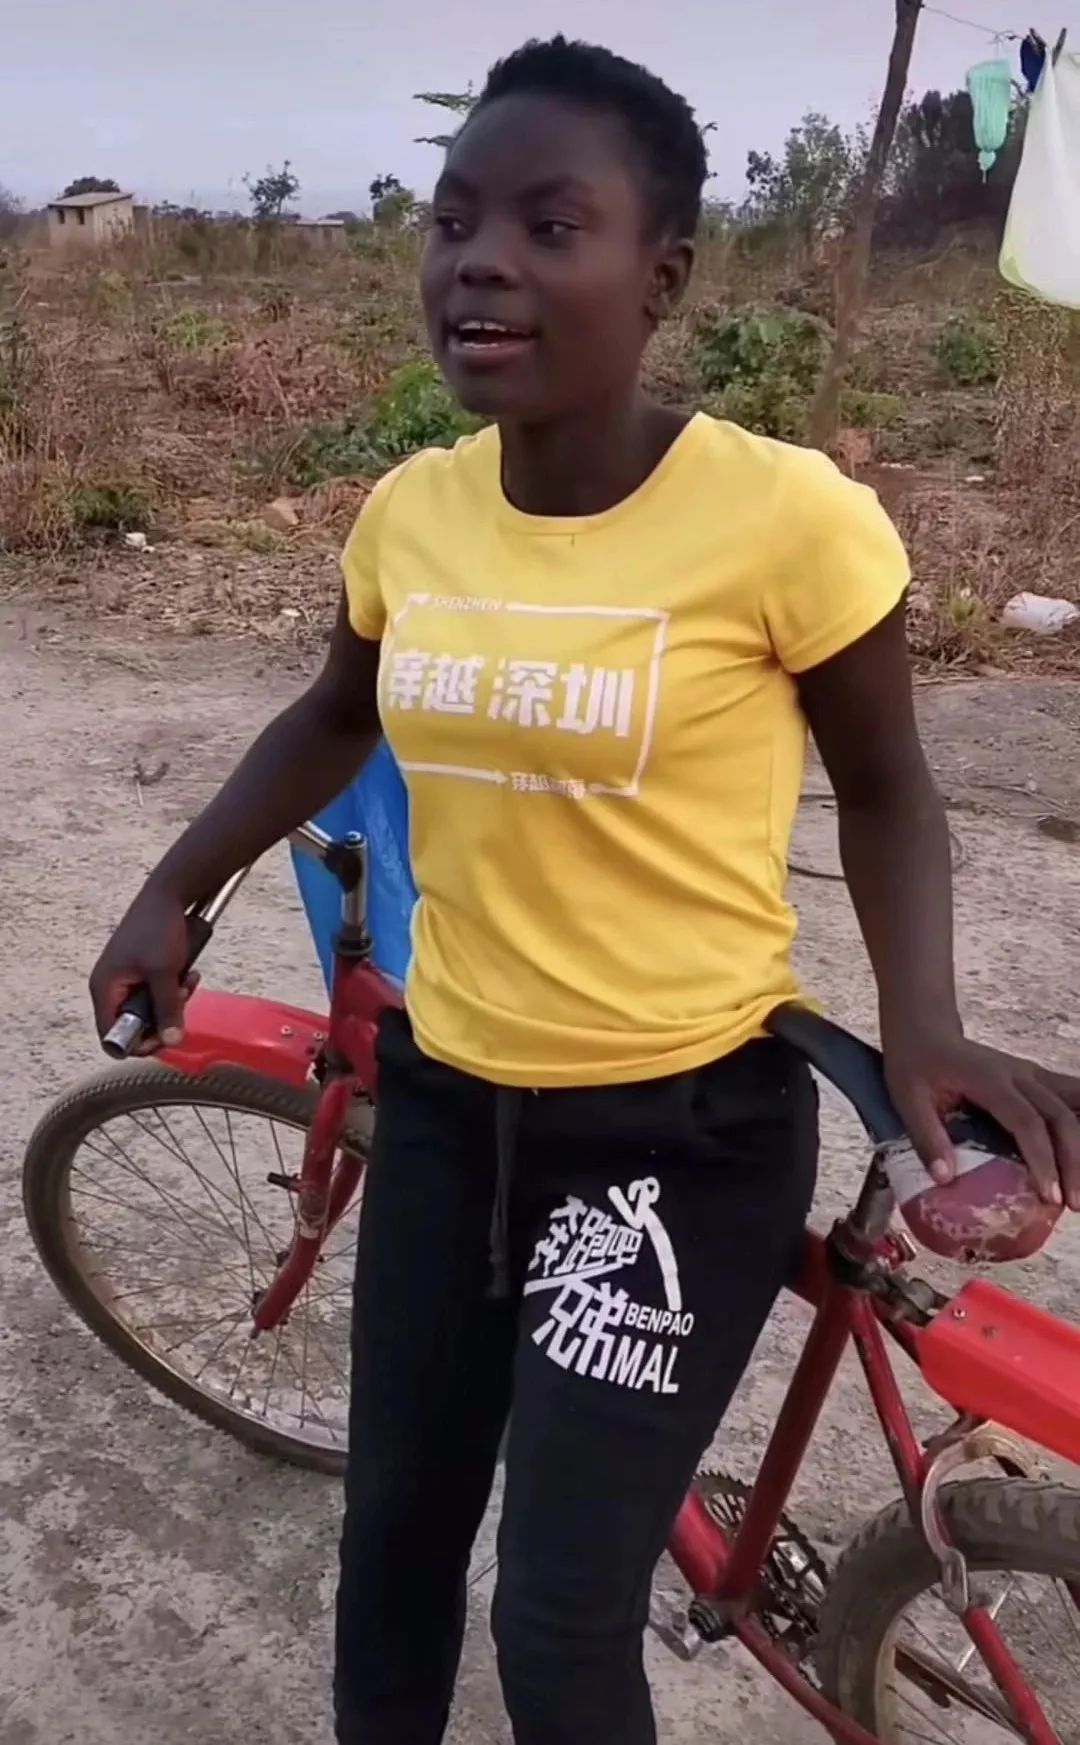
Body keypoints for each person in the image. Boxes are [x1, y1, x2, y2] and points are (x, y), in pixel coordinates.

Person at [90, 37, 1080, 1745]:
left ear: (662, 275)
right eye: (455, 221)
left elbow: (890, 787)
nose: (480, 262)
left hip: (675, 1137)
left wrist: (923, 1026)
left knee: (557, 1618)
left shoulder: (785, 518)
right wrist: (175, 887)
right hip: (448, 1106)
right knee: (393, 1544)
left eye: (551, 227)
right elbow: (334, 713)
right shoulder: (411, 514)